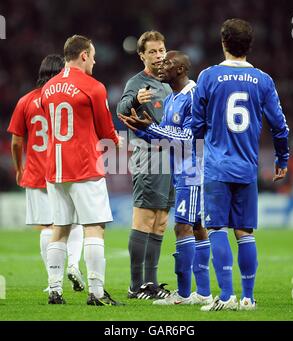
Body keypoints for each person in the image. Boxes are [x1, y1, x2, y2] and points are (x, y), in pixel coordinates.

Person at [191, 18, 289, 311]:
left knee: (217, 228)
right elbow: (280, 127)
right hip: (247, 168)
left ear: (223, 43)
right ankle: (247, 298)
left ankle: (226, 297)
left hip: (217, 167)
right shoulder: (263, 80)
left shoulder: (208, 76)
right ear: (250, 45)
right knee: (245, 232)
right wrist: (282, 157)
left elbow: (196, 124)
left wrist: (206, 130)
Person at [119, 51, 213, 305]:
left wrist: (149, 128)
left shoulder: (193, 96)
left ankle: (185, 295)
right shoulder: (172, 99)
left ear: (181, 70)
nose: (161, 66)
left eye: (168, 63)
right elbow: (166, 139)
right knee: (195, 227)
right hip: (179, 169)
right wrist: (143, 128)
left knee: (184, 227)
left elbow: (189, 138)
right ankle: (201, 292)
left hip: (193, 169)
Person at [41, 35, 122, 305]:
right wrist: (117, 140)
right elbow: (104, 131)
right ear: (84, 55)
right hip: (85, 167)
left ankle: (54, 289)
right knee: (94, 227)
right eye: (93, 56)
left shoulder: (48, 88)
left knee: (60, 228)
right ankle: (96, 293)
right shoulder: (93, 87)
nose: (96, 61)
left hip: (55, 167)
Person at [7, 54, 85, 293]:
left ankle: (54, 283)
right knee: (76, 224)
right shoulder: (67, 99)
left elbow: (16, 142)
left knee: (47, 227)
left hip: (36, 172)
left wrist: (19, 167)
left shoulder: (25, 101)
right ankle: (73, 264)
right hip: (65, 168)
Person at [117, 31, 174, 299]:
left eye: (161, 49)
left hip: (171, 156)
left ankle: (150, 283)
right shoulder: (137, 82)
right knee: (144, 219)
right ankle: (135, 284)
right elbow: (121, 107)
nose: (159, 55)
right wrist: (135, 100)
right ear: (142, 55)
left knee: (161, 222)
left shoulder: (168, 84)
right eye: (152, 51)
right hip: (149, 156)